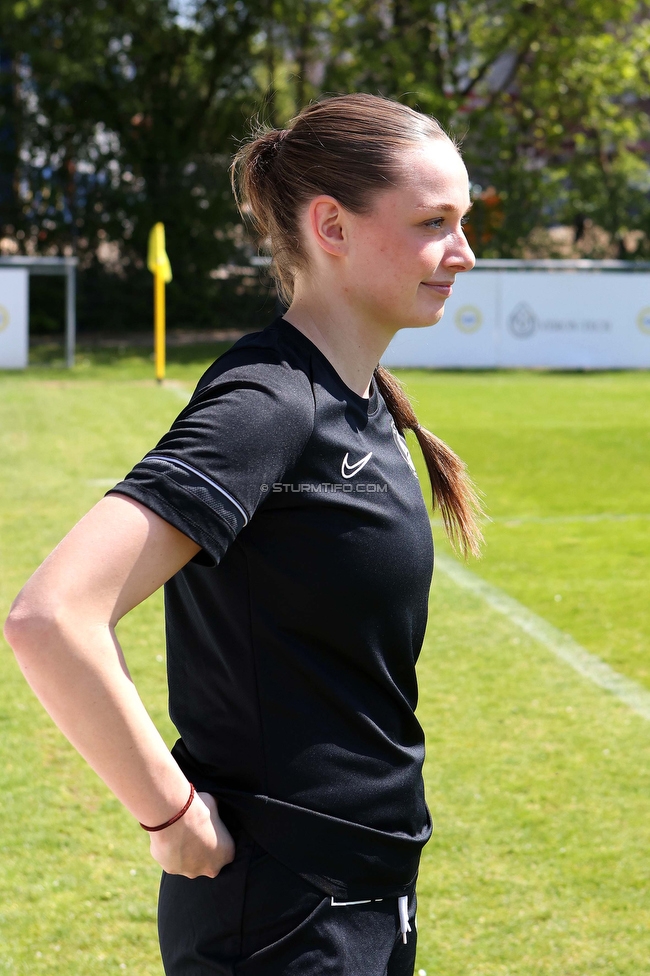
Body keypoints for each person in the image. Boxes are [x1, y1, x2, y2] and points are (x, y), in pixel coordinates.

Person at [4, 93, 481, 976]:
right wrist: (171, 817)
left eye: (463, 220)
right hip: (284, 915)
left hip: (362, 892)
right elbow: (51, 616)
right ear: (331, 225)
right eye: (434, 222)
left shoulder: (358, 399)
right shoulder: (269, 403)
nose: (464, 252)